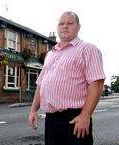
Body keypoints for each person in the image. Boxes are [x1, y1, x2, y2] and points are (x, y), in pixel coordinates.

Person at [28, 11, 105, 145]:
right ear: (57, 27)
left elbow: (96, 83)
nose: (65, 26)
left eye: (70, 23)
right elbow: (41, 84)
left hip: (75, 118)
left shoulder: (88, 49)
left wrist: (85, 115)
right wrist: (33, 110)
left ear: (78, 27)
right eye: (61, 23)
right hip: (51, 119)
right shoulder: (50, 54)